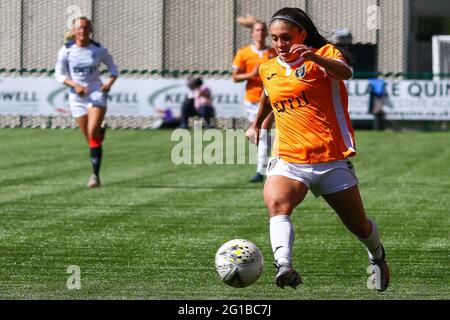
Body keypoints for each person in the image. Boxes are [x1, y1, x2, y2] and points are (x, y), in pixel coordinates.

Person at [251, 7, 390, 291]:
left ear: (302, 33)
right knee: (277, 205)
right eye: (275, 38)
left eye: (286, 37)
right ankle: (284, 265)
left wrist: (313, 56)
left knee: (359, 226)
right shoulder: (269, 67)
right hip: (288, 158)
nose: (280, 44)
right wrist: (257, 124)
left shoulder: (324, 53)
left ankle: (377, 256)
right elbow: (268, 97)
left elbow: (346, 72)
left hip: (330, 159)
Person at [55, 16, 118, 188]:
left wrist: (108, 83)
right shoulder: (66, 50)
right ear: (74, 30)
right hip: (76, 98)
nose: (82, 31)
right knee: (91, 138)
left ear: (90, 30)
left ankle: (95, 177)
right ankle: (100, 132)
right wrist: (74, 85)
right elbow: (59, 75)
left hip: (96, 94)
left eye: (85, 27)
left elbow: (113, 69)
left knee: (92, 132)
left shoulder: (98, 50)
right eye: (79, 28)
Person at [233, 16, 277, 183]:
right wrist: (251, 75)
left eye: (263, 30)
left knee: (263, 130)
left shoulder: (273, 52)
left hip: (269, 99)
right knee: (257, 136)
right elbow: (235, 77)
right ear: (252, 34)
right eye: (257, 30)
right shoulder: (243, 53)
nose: (260, 33)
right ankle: (281, 147)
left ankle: (260, 171)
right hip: (251, 99)